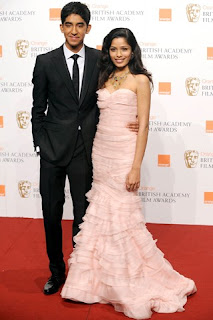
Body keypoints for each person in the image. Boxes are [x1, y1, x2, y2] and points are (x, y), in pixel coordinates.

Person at [61, 28, 197, 319]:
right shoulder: (104, 76)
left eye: (124, 49)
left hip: (124, 155)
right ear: (107, 51)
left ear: (133, 50)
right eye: (113, 49)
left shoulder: (141, 81)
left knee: (123, 218)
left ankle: (129, 281)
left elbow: (144, 125)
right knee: (100, 215)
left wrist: (136, 166)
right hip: (101, 151)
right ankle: (99, 282)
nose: (118, 54)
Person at [31, 2, 138, 296]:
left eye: (81, 25)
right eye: (69, 24)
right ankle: (56, 272)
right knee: (51, 213)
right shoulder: (45, 62)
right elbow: (37, 109)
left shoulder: (100, 61)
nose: (74, 30)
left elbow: (121, 86)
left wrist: (135, 117)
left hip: (85, 151)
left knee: (83, 215)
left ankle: (81, 274)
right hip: (52, 151)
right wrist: (41, 145)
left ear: (88, 29)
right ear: (62, 27)